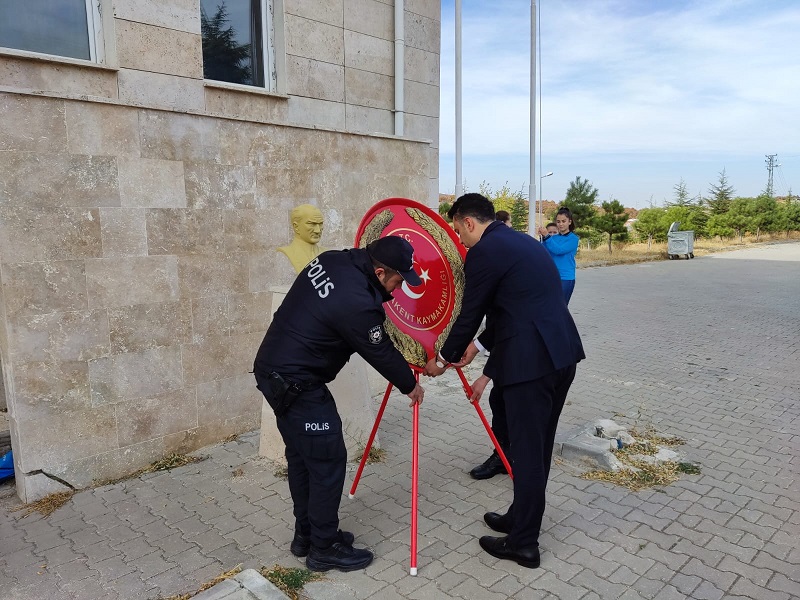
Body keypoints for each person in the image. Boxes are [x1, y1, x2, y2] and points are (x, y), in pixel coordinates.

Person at [424, 193, 584, 569]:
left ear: (467, 222)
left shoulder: (485, 252)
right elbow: (515, 307)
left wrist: (443, 358)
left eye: (457, 230)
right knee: (538, 447)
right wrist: (477, 347)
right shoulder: (520, 242)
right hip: (560, 355)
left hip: (530, 366)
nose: (459, 240)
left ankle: (524, 544)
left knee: (527, 453)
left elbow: (470, 312)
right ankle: (520, 517)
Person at [254, 236, 425, 572]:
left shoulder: (335, 259)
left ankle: (308, 534)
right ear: (379, 272)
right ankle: (324, 548)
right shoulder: (357, 302)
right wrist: (411, 385)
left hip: (276, 370)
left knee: (304, 458)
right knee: (328, 460)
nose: (400, 288)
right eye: (397, 280)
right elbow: (379, 349)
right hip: (296, 383)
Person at [538, 207, 579, 304]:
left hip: (565, 278)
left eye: (563, 221)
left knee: (561, 307)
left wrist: (547, 236)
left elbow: (558, 250)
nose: (560, 224)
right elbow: (542, 251)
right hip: (552, 277)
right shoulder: (553, 238)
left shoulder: (573, 239)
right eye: (558, 221)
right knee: (550, 306)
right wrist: (542, 237)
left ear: (569, 222)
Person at [278, 204, 326, 272]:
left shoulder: (327, 253)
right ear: (296, 227)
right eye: (312, 224)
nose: (318, 230)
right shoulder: (285, 254)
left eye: (320, 224)